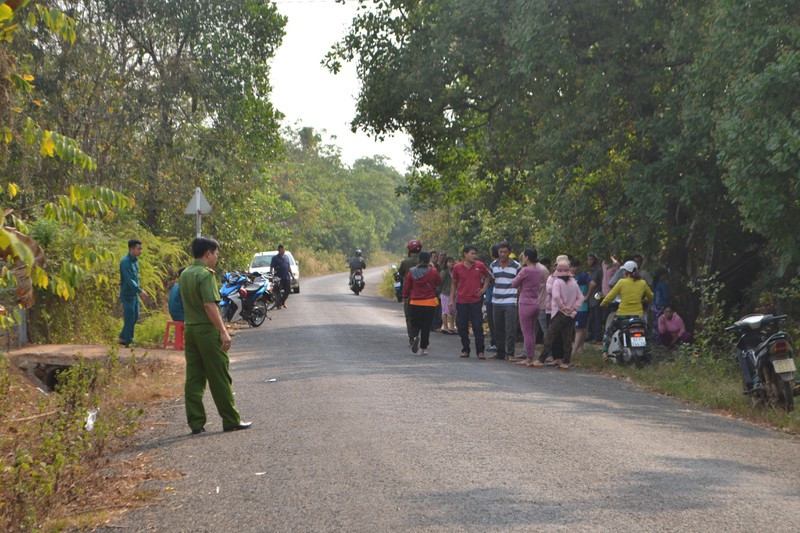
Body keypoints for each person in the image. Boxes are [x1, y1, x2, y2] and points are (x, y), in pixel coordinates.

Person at [179, 237, 251, 434]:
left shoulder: (185, 274)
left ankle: (196, 423)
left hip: (190, 330)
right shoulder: (205, 275)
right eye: (216, 254)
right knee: (219, 376)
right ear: (208, 253)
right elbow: (210, 305)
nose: (217, 258)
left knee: (194, 378)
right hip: (207, 331)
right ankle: (231, 419)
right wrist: (223, 331)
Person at [534, 260, 584, 369]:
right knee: (567, 338)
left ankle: (541, 359)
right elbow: (581, 297)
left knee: (550, 336)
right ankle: (566, 362)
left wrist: (563, 307)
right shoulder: (574, 283)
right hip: (570, 314)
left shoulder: (557, 282)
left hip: (558, 313)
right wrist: (573, 308)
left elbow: (556, 296)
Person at [600, 260, 654, 360]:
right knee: (646, 334)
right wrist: (645, 300)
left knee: (609, 332)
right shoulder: (642, 283)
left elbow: (610, 296)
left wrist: (603, 303)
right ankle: (648, 356)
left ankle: (604, 352)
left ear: (625, 272)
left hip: (622, 315)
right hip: (638, 316)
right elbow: (651, 296)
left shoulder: (622, 282)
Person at [449, 245, 492, 359]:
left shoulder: (480, 265)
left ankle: (480, 351)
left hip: (476, 300)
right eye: (472, 253)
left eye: (475, 254)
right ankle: (465, 349)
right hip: (462, 300)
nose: (474, 256)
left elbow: (488, 276)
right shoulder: (457, 267)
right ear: (465, 254)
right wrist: (451, 299)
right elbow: (454, 283)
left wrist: (484, 288)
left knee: (477, 326)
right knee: (462, 325)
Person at [402, 251, 442, 355]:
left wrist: (405, 297)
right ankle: (422, 349)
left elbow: (407, 286)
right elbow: (439, 282)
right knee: (426, 327)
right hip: (429, 303)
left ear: (419, 260)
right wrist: (433, 268)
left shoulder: (412, 271)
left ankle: (415, 336)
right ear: (429, 260)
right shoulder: (433, 271)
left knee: (415, 323)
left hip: (415, 302)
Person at [511, 248, 543, 367]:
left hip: (525, 302)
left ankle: (529, 358)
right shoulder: (538, 270)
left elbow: (514, 283)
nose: (523, 258)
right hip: (536, 302)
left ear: (527, 257)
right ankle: (531, 355)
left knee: (527, 332)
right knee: (532, 331)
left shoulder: (525, 270)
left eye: (524, 256)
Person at [489, 242, 521, 360]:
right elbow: (491, 280)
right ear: (497, 252)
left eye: (505, 252)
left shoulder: (516, 266)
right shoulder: (493, 265)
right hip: (496, 300)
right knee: (498, 328)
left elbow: (520, 283)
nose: (503, 254)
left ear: (510, 252)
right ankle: (500, 352)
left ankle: (510, 353)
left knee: (510, 328)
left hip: (510, 300)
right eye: (500, 252)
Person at [118, 239, 148, 347]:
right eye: (138, 249)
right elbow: (129, 280)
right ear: (132, 249)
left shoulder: (135, 261)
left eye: (141, 249)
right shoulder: (125, 262)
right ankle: (129, 341)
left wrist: (138, 291)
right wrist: (140, 291)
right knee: (129, 317)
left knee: (134, 316)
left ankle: (122, 337)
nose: (140, 251)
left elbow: (135, 278)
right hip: (127, 294)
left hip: (134, 294)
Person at [398, 239, 422, 345]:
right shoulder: (424, 262)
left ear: (409, 250)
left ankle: (412, 337)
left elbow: (400, 274)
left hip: (409, 294)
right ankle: (420, 335)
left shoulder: (405, 262)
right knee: (421, 316)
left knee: (409, 316)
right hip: (422, 294)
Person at [571, 258, 590, 355]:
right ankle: (581, 348)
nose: (572, 269)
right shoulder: (574, 276)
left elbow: (592, 283)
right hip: (576, 306)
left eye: (574, 267)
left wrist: (587, 296)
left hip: (582, 307)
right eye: (571, 267)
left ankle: (574, 350)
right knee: (580, 328)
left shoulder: (582, 276)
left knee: (578, 328)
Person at [484, 245, 499, 352]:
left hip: (491, 297)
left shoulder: (492, 266)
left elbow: (486, 279)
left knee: (493, 322)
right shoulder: (510, 265)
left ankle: (495, 343)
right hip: (502, 298)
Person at [270, 244, 295, 309]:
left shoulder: (286, 257)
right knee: (277, 290)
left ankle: (282, 302)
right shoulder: (275, 258)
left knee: (288, 290)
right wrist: (271, 275)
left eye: (284, 249)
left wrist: (292, 275)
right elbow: (271, 267)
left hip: (286, 276)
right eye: (282, 249)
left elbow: (288, 267)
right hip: (278, 277)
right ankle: (278, 304)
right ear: (279, 250)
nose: (283, 250)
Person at [586, 253, 603, 342]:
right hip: (591, 297)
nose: (589, 262)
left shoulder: (599, 270)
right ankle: (591, 335)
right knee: (592, 318)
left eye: (591, 260)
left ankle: (597, 337)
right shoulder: (590, 272)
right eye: (588, 260)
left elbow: (602, 283)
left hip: (597, 296)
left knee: (597, 317)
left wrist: (601, 296)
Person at [651, 268, 670, 344]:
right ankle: (659, 341)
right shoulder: (663, 284)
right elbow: (666, 296)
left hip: (655, 306)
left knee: (655, 323)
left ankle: (655, 339)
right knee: (661, 324)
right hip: (661, 306)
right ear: (662, 275)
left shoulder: (655, 283)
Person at [439, 256, 456, 334]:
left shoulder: (454, 271)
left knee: (453, 310)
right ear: (446, 263)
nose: (451, 263)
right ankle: (445, 327)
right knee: (445, 310)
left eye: (452, 262)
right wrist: (439, 292)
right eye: (450, 262)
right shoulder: (444, 272)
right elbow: (440, 283)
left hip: (453, 294)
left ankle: (452, 327)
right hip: (445, 293)